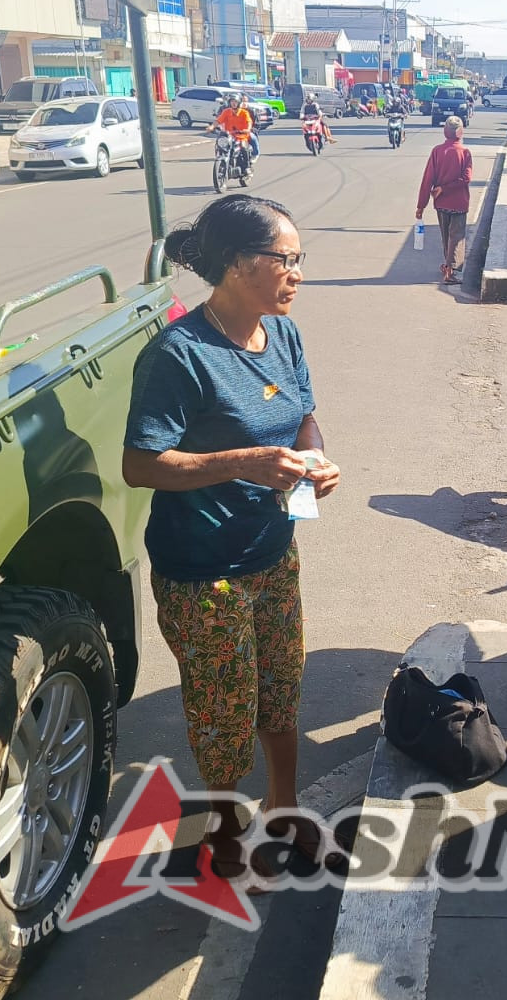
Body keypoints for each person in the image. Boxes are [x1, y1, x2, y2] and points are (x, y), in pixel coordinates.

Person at [123, 194, 341, 878]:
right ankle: (221, 830)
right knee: (224, 712)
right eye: (286, 259)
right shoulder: (179, 354)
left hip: (273, 551)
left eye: (300, 259)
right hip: (203, 572)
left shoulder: (284, 335)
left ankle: (284, 806)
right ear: (240, 263)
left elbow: (303, 417)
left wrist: (314, 461)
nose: (297, 273)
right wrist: (242, 462)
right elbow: (140, 464)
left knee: (281, 690)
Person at [415, 114, 473, 285]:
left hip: (441, 203)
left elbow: (427, 180)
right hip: (459, 203)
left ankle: (448, 266)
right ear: (460, 132)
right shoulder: (465, 153)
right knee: (457, 236)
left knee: (446, 235)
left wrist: (421, 206)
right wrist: (446, 188)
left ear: (445, 131)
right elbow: (466, 178)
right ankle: (450, 271)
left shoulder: (437, 151)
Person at [214, 96, 259, 174]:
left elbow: (251, 122)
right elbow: (219, 119)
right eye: (232, 101)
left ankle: (248, 165)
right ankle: (220, 155)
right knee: (220, 141)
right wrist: (213, 127)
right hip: (229, 134)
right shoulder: (225, 110)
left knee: (248, 142)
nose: (233, 103)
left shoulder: (249, 111)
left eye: (235, 102)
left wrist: (249, 129)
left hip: (243, 133)